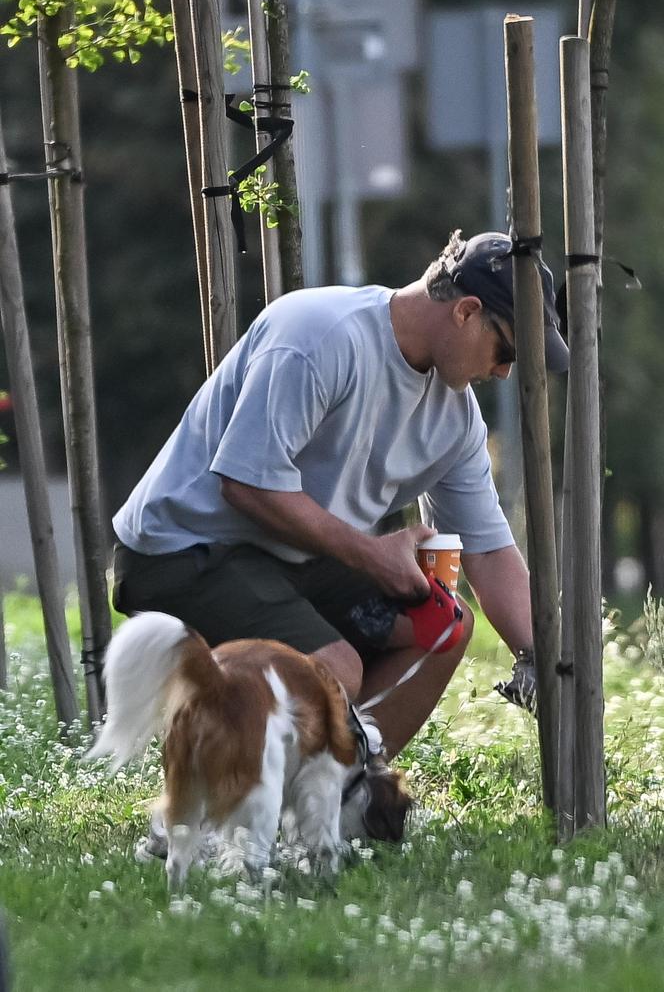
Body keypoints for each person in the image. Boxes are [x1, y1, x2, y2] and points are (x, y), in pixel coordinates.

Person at [111, 230, 569, 758]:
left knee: (443, 627)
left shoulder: (458, 421)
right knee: (332, 670)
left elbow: (488, 552)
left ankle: (349, 794)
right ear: (466, 312)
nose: (505, 371)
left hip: (290, 556)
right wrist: (373, 555)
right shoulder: (320, 336)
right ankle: (209, 807)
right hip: (183, 548)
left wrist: (545, 659)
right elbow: (246, 484)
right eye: (506, 349)